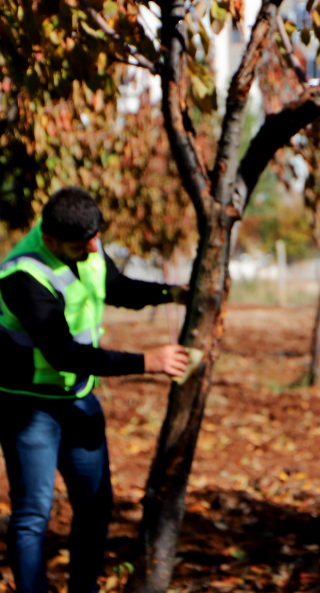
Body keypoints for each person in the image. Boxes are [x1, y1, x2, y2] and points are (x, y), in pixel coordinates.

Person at [0, 187, 190, 593]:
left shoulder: (85, 240)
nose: (92, 251)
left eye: (95, 240)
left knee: (94, 508)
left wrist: (171, 292)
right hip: (29, 408)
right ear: (50, 240)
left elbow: (116, 287)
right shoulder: (22, 276)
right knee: (34, 513)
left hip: (78, 401)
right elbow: (64, 354)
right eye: (81, 245)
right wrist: (146, 362)